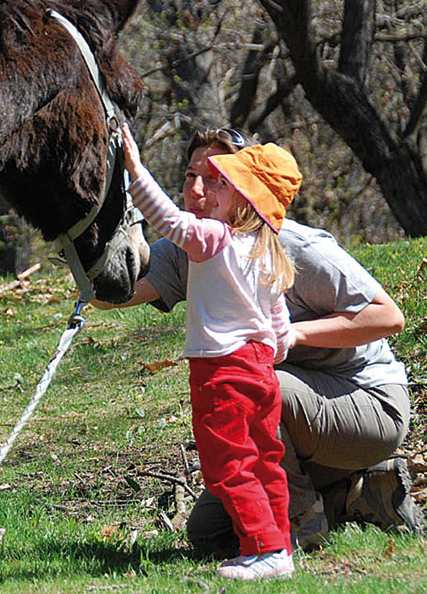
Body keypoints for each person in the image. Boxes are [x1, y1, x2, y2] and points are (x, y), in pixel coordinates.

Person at [95, 126, 424, 555]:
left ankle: (301, 523)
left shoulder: (297, 247)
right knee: (210, 534)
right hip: (293, 411)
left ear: (244, 187)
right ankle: (358, 490)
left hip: (369, 402)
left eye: (215, 178)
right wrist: (80, 236)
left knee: (256, 387)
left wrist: (294, 334)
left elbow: (389, 317)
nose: (197, 189)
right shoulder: (194, 246)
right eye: (191, 175)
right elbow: (112, 295)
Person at [121, 121, 302, 580]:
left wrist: (136, 171)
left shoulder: (215, 240)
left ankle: (262, 549)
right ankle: (277, 546)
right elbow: (278, 325)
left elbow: (168, 221)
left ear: (246, 198)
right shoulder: (268, 251)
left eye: (223, 183)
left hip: (221, 372)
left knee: (228, 466)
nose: (210, 189)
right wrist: (270, 353)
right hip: (261, 371)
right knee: (265, 460)